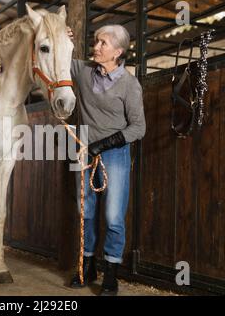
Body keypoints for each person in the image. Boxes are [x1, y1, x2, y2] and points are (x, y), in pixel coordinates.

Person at [67, 25, 146, 295]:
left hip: (114, 154)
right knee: (85, 213)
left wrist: (101, 145)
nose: (96, 47)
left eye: (103, 43)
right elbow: (54, 57)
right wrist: (59, 35)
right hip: (83, 151)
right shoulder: (83, 71)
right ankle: (87, 267)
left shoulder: (129, 84)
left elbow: (138, 128)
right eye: (96, 41)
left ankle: (111, 273)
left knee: (113, 216)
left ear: (118, 52)